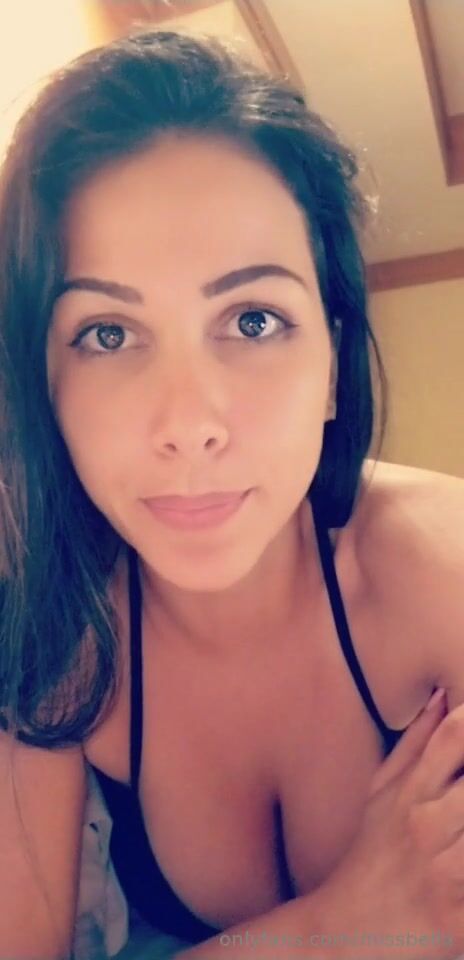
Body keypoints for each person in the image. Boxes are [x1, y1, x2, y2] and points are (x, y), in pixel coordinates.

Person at [1, 26, 464, 960]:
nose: (188, 424)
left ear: (331, 363)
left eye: (253, 320)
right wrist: (336, 924)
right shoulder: (59, 633)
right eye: (105, 334)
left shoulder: (443, 565)